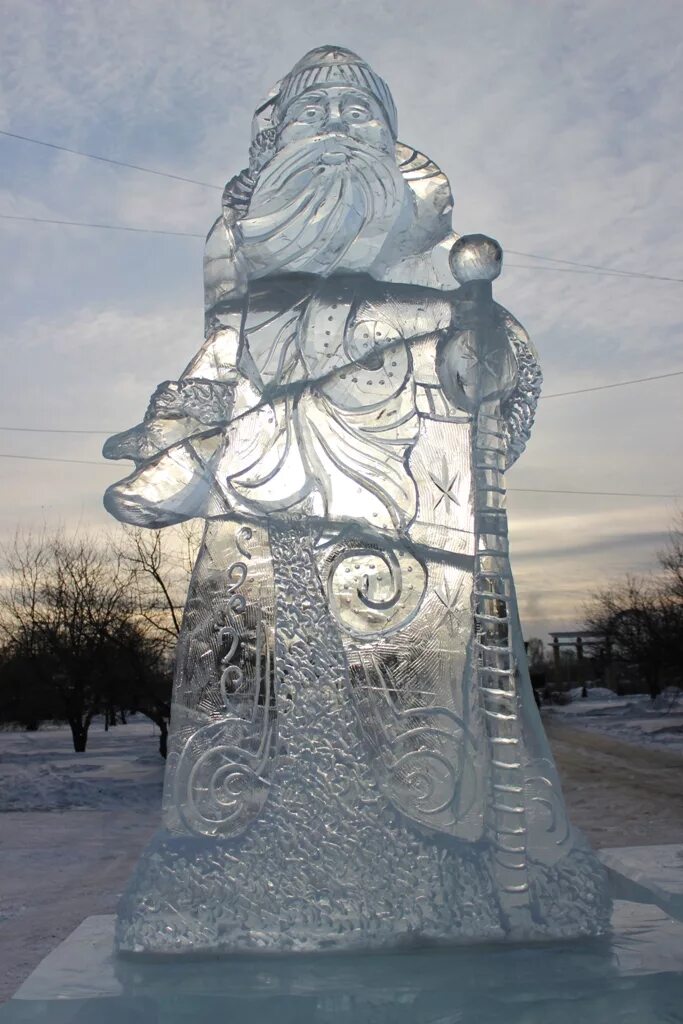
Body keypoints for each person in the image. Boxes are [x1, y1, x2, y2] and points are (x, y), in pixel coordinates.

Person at [104, 46, 609, 954]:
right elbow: (213, 376)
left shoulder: (439, 282)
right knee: (261, 686)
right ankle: (252, 862)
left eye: (357, 112)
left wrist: (484, 354)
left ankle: (452, 871)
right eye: (313, 114)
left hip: (411, 538)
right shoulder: (249, 295)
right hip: (264, 534)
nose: (336, 127)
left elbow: (491, 386)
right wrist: (174, 441)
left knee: (426, 723)